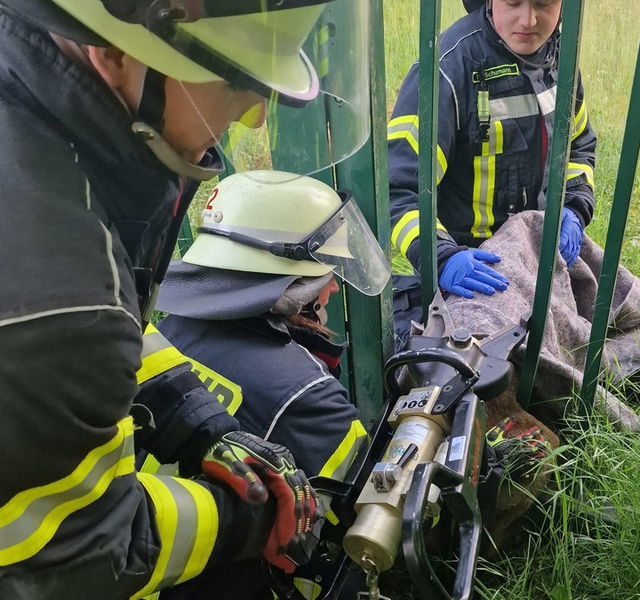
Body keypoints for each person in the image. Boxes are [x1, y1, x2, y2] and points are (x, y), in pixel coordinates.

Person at [0, 0, 371, 598]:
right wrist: (241, 521)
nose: (253, 119)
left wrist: (197, 422)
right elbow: (79, 553)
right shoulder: (61, 288)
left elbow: (112, 335)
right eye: (233, 78)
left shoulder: (52, 138)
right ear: (117, 49)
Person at [145, 170, 392, 600]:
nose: (333, 286)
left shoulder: (162, 336)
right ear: (290, 290)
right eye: (324, 274)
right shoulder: (304, 393)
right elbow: (369, 510)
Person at [388, 0, 597, 348]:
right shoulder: (447, 70)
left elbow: (578, 146)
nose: (528, 19)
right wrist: (444, 258)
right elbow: (399, 190)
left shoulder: (562, 58)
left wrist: (574, 208)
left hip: (539, 254)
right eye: (513, 1)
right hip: (472, 268)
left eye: (544, 3)